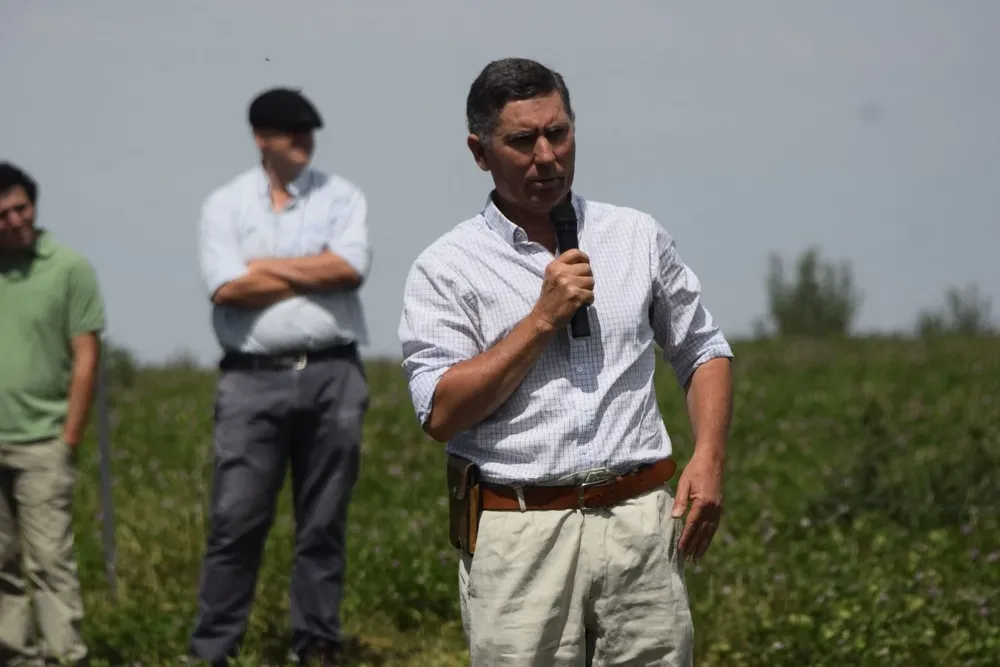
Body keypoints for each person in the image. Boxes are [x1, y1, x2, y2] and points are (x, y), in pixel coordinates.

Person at [397, 58, 735, 666]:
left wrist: (708, 458)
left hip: (639, 522)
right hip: (520, 534)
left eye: (558, 133)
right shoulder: (446, 267)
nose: (546, 156)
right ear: (480, 152)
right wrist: (541, 320)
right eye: (522, 141)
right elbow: (441, 413)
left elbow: (702, 349)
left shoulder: (635, 235)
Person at [190, 87, 372, 667]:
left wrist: (264, 267)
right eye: (293, 132)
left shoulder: (341, 196)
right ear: (261, 138)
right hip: (251, 380)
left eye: (309, 132)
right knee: (235, 520)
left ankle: (316, 645)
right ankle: (213, 650)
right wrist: (311, 269)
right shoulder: (224, 205)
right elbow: (225, 287)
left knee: (323, 521)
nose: (305, 141)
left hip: (332, 373)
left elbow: (350, 269)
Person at [0, 162, 105, 667]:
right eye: (2, 214)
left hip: (43, 440)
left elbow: (86, 356)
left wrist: (69, 439)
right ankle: (16, 656)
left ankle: (65, 657)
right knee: (2, 563)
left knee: (48, 561)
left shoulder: (68, 268)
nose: (15, 220)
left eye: (21, 208)